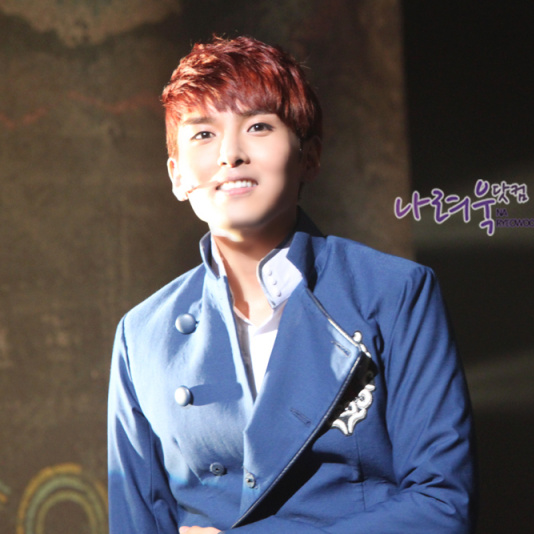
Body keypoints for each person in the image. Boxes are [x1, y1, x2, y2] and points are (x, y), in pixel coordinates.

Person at [107, 35, 477, 534]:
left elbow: (442, 505)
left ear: (309, 156)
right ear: (176, 176)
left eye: (258, 126)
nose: (230, 154)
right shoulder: (141, 336)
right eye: (203, 134)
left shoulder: (396, 293)